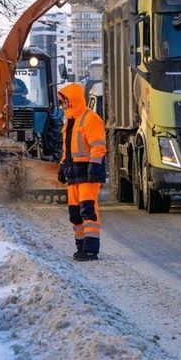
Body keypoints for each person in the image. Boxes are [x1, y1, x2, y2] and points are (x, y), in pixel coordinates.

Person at [57, 83, 107, 261]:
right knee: (75, 214)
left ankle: (91, 249)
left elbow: (98, 146)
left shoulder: (90, 119)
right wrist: (62, 166)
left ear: (72, 100)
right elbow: (67, 150)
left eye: (64, 101)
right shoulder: (69, 122)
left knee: (88, 211)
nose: (62, 104)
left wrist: (94, 168)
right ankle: (81, 247)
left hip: (87, 175)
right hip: (73, 175)